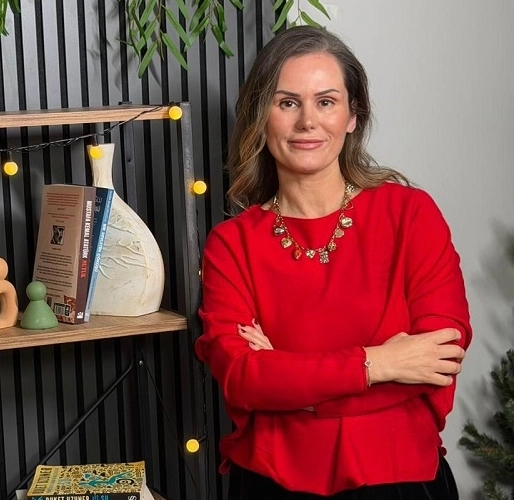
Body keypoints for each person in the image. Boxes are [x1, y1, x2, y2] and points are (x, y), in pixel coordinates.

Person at [194, 26, 471, 499]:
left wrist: (290, 388)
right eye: (287, 103)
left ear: (352, 115)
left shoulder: (410, 215)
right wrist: (380, 363)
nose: (308, 122)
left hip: (399, 478)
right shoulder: (231, 245)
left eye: (326, 101)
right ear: (261, 117)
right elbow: (242, 380)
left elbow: (440, 357)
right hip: (271, 483)